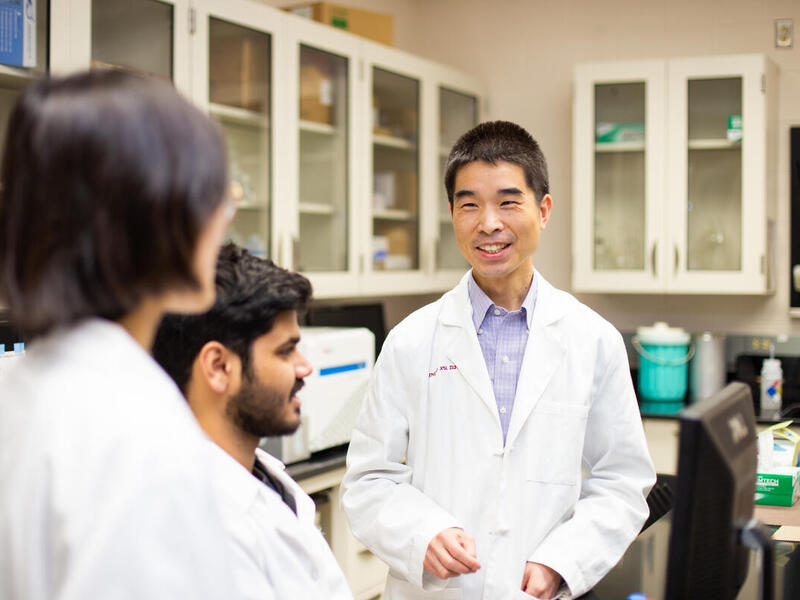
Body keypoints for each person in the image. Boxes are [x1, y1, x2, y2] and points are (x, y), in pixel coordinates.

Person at [342, 121, 656, 599]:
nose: (488, 223)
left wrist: (563, 560)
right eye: (469, 204)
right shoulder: (410, 341)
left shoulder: (593, 340)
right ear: (451, 213)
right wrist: (421, 533)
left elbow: (622, 481)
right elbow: (368, 480)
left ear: (543, 210)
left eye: (508, 202)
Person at [0, 70, 243, 599]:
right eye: (212, 196)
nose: (223, 216)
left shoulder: (30, 383)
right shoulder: (133, 428)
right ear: (153, 215)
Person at [152, 243, 353, 600]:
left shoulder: (258, 474)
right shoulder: (201, 529)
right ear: (219, 367)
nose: (305, 366)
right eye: (285, 350)